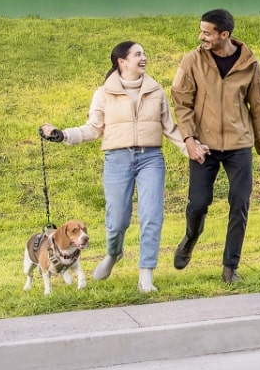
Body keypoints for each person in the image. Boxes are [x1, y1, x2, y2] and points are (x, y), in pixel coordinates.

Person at [40, 41, 186, 293]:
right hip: (117, 159)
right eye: (138, 54)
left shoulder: (155, 90)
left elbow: (170, 128)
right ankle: (113, 254)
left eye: (144, 53)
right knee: (117, 220)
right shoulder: (103, 93)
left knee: (152, 216)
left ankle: (146, 276)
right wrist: (63, 135)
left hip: (151, 158)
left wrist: (190, 149)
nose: (144, 57)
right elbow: (93, 128)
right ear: (122, 61)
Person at [170, 9, 260, 283]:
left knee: (239, 203)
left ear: (223, 35)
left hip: (239, 144)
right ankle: (190, 238)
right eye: (201, 30)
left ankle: (230, 267)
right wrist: (189, 139)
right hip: (203, 145)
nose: (201, 36)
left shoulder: (250, 64)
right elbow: (181, 103)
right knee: (198, 204)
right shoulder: (192, 60)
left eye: (207, 32)